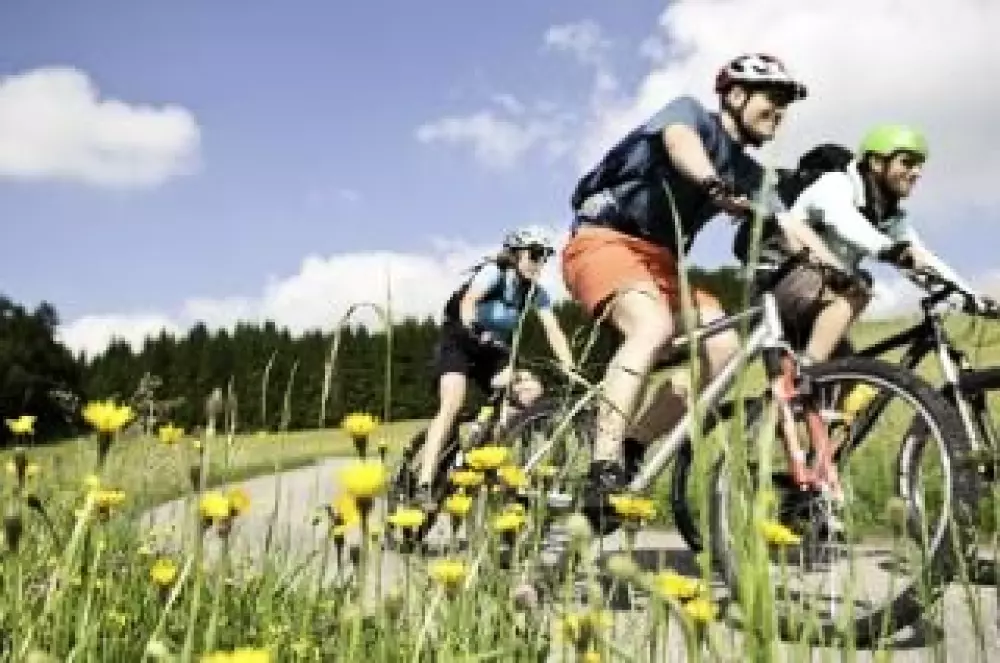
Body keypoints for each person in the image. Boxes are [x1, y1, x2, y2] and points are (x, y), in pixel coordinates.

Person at [561, 53, 834, 503]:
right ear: (737, 95)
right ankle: (601, 463)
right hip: (604, 239)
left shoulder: (749, 173)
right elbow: (678, 142)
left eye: (788, 102)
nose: (781, 111)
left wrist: (833, 270)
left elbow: (791, 226)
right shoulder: (691, 115)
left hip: (663, 264)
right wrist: (712, 184)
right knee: (652, 327)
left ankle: (631, 448)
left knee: (724, 349)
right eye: (773, 98)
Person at [750, 125, 993, 364]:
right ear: (877, 163)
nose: (917, 172)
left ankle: (803, 387)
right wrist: (890, 250)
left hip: (822, 295)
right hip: (777, 285)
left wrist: (971, 298)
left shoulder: (889, 215)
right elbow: (845, 222)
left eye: (919, 166)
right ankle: (807, 376)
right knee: (860, 286)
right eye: (907, 162)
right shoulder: (836, 183)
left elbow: (922, 258)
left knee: (846, 380)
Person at [414, 226, 575, 508]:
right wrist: (474, 327)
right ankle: (424, 483)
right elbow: (468, 302)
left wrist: (570, 366)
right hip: (460, 340)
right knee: (452, 402)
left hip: (494, 349)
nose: (539, 263)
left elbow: (553, 329)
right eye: (534, 254)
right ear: (515, 255)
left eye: (544, 257)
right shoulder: (494, 273)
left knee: (530, 391)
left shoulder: (535, 293)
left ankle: (491, 454)